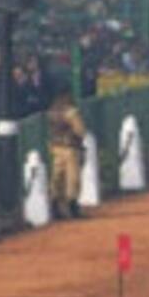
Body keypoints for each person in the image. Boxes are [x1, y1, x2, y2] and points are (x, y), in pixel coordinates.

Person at [45, 92, 89, 220]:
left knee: (57, 177)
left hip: (55, 147)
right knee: (72, 177)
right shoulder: (71, 112)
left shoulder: (52, 112)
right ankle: (72, 205)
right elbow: (80, 131)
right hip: (70, 147)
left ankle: (55, 205)